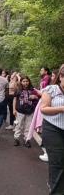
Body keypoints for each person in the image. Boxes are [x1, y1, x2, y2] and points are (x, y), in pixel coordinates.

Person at [40, 64, 64, 194]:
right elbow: (44, 109)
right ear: (61, 77)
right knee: (57, 163)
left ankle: (54, 184)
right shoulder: (51, 90)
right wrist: (61, 108)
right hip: (53, 129)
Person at [13, 75, 41, 147]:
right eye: (24, 81)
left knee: (28, 126)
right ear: (21, 82)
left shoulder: (33, 90)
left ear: (29, 82)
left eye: (27, 81)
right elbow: (15, 99)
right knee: (19, 125)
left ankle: (27, 140)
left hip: (30, 110)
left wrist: (35, 97)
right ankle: (16, 138)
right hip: (20, 110)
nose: (25, 83)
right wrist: (14, 109)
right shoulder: (18, 90)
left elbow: (40, 97)